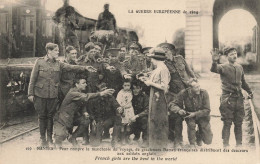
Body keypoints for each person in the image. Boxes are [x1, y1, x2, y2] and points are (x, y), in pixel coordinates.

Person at [28, 42, 96, 146]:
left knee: (50, 116)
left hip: (53, 95)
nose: (58, 52)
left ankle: (50, 139)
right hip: (40, 94)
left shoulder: (58, 63)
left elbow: (71, 67)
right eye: (56, 50)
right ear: (49, 51)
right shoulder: (39, 62)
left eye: (58, 50)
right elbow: (32, 79)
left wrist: (85, 68)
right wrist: (30, 94)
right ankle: (43, 139)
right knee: (42, 116)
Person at [210, 47, 253, 147]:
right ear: (226, 56)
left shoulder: (239, 67)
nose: (234, 55)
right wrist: (214, 61)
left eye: (235, 53)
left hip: (239, 99)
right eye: (231, 54)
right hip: (227, 99)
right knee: (227, 122)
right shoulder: (222, 67)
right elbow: (213, 69)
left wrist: (249, 91)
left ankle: (239, 145)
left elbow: (243, 82)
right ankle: (226, 145)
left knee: (239, 122)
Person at [54, 79, 115, 146]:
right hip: (62, 119)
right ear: (77, 84)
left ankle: (73, 137)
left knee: (86, 120)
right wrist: (101, 93)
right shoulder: (72, 93)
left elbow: (82, 104)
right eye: (83, 83)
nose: (86, 84)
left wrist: (84, 112)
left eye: (86, 82)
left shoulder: (79, 92)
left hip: (72, 118)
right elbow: (86, 96)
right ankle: (63, 136)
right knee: (61, 136)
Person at [157, 42, 196, 148]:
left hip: (186, 92)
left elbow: (189, 71)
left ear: (171, 51)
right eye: (163, 50)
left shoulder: (180, 58)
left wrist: (194, 79)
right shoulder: (162, 63)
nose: (165, 52)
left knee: (189, 115)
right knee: (175, 116)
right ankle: (176, 140)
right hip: (172, 94)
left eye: (167, 50)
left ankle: (194, 140)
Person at [169, 80, 213, 147]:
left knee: (208, 140)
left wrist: (195, 114)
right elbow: (172, 104)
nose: (199, 89)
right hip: (190, 116)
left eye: (199, 86)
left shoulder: (204, 93)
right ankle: (192, 143)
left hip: (202, 116)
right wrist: (179, 110)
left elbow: (207, 110)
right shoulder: (184, 93)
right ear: (190, 88)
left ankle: (199, 134)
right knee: (191, 125)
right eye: (196, 87)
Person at [144, 47, 170, 149]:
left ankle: (159, 148)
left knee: (159, 121)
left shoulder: (163, 69)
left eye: (152, 58)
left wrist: (150, 83)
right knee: (153, 120)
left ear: (156, 58)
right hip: (154, 96)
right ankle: (154, 146)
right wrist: (147, 79)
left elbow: (164, 86)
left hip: (159, 99)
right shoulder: (158, 69)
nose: (151, 60)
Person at [87, 82, 122, 147]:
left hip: (107, 120)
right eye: (103, 90)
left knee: (118, 118)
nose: (106, 92)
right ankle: (98, 136)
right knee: (95, 143)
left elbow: (116, 105)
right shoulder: (93, 100)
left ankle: (114, 141)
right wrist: (93, 119)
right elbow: (90, 112)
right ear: (98, 92)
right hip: (98, 121)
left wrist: (119, 108)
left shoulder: (110, 97)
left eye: (106, 89)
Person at [129, 80, 149, 147]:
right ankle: (129, 136)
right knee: (126, 129)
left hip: (140, 117)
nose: (135, 90)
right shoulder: (129, 96)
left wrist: (137, 116)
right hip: (131, 118)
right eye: (133, 88)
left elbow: (147, 110)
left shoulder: (145, 97)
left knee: (145, 120)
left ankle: (145, 140)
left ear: (141, 88)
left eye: (137, 88)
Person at [116, 79, 135, 145]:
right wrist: (122, 111)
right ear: (122, 86)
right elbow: (118, 102)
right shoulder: (120, 93)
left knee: (129, 124)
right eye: (125, 85)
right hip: (123, 110)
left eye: (128, 85)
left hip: (130, 109)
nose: (127, 87)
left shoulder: (131, 92)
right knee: (123, 125)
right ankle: (122, 138)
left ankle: (127, 137)